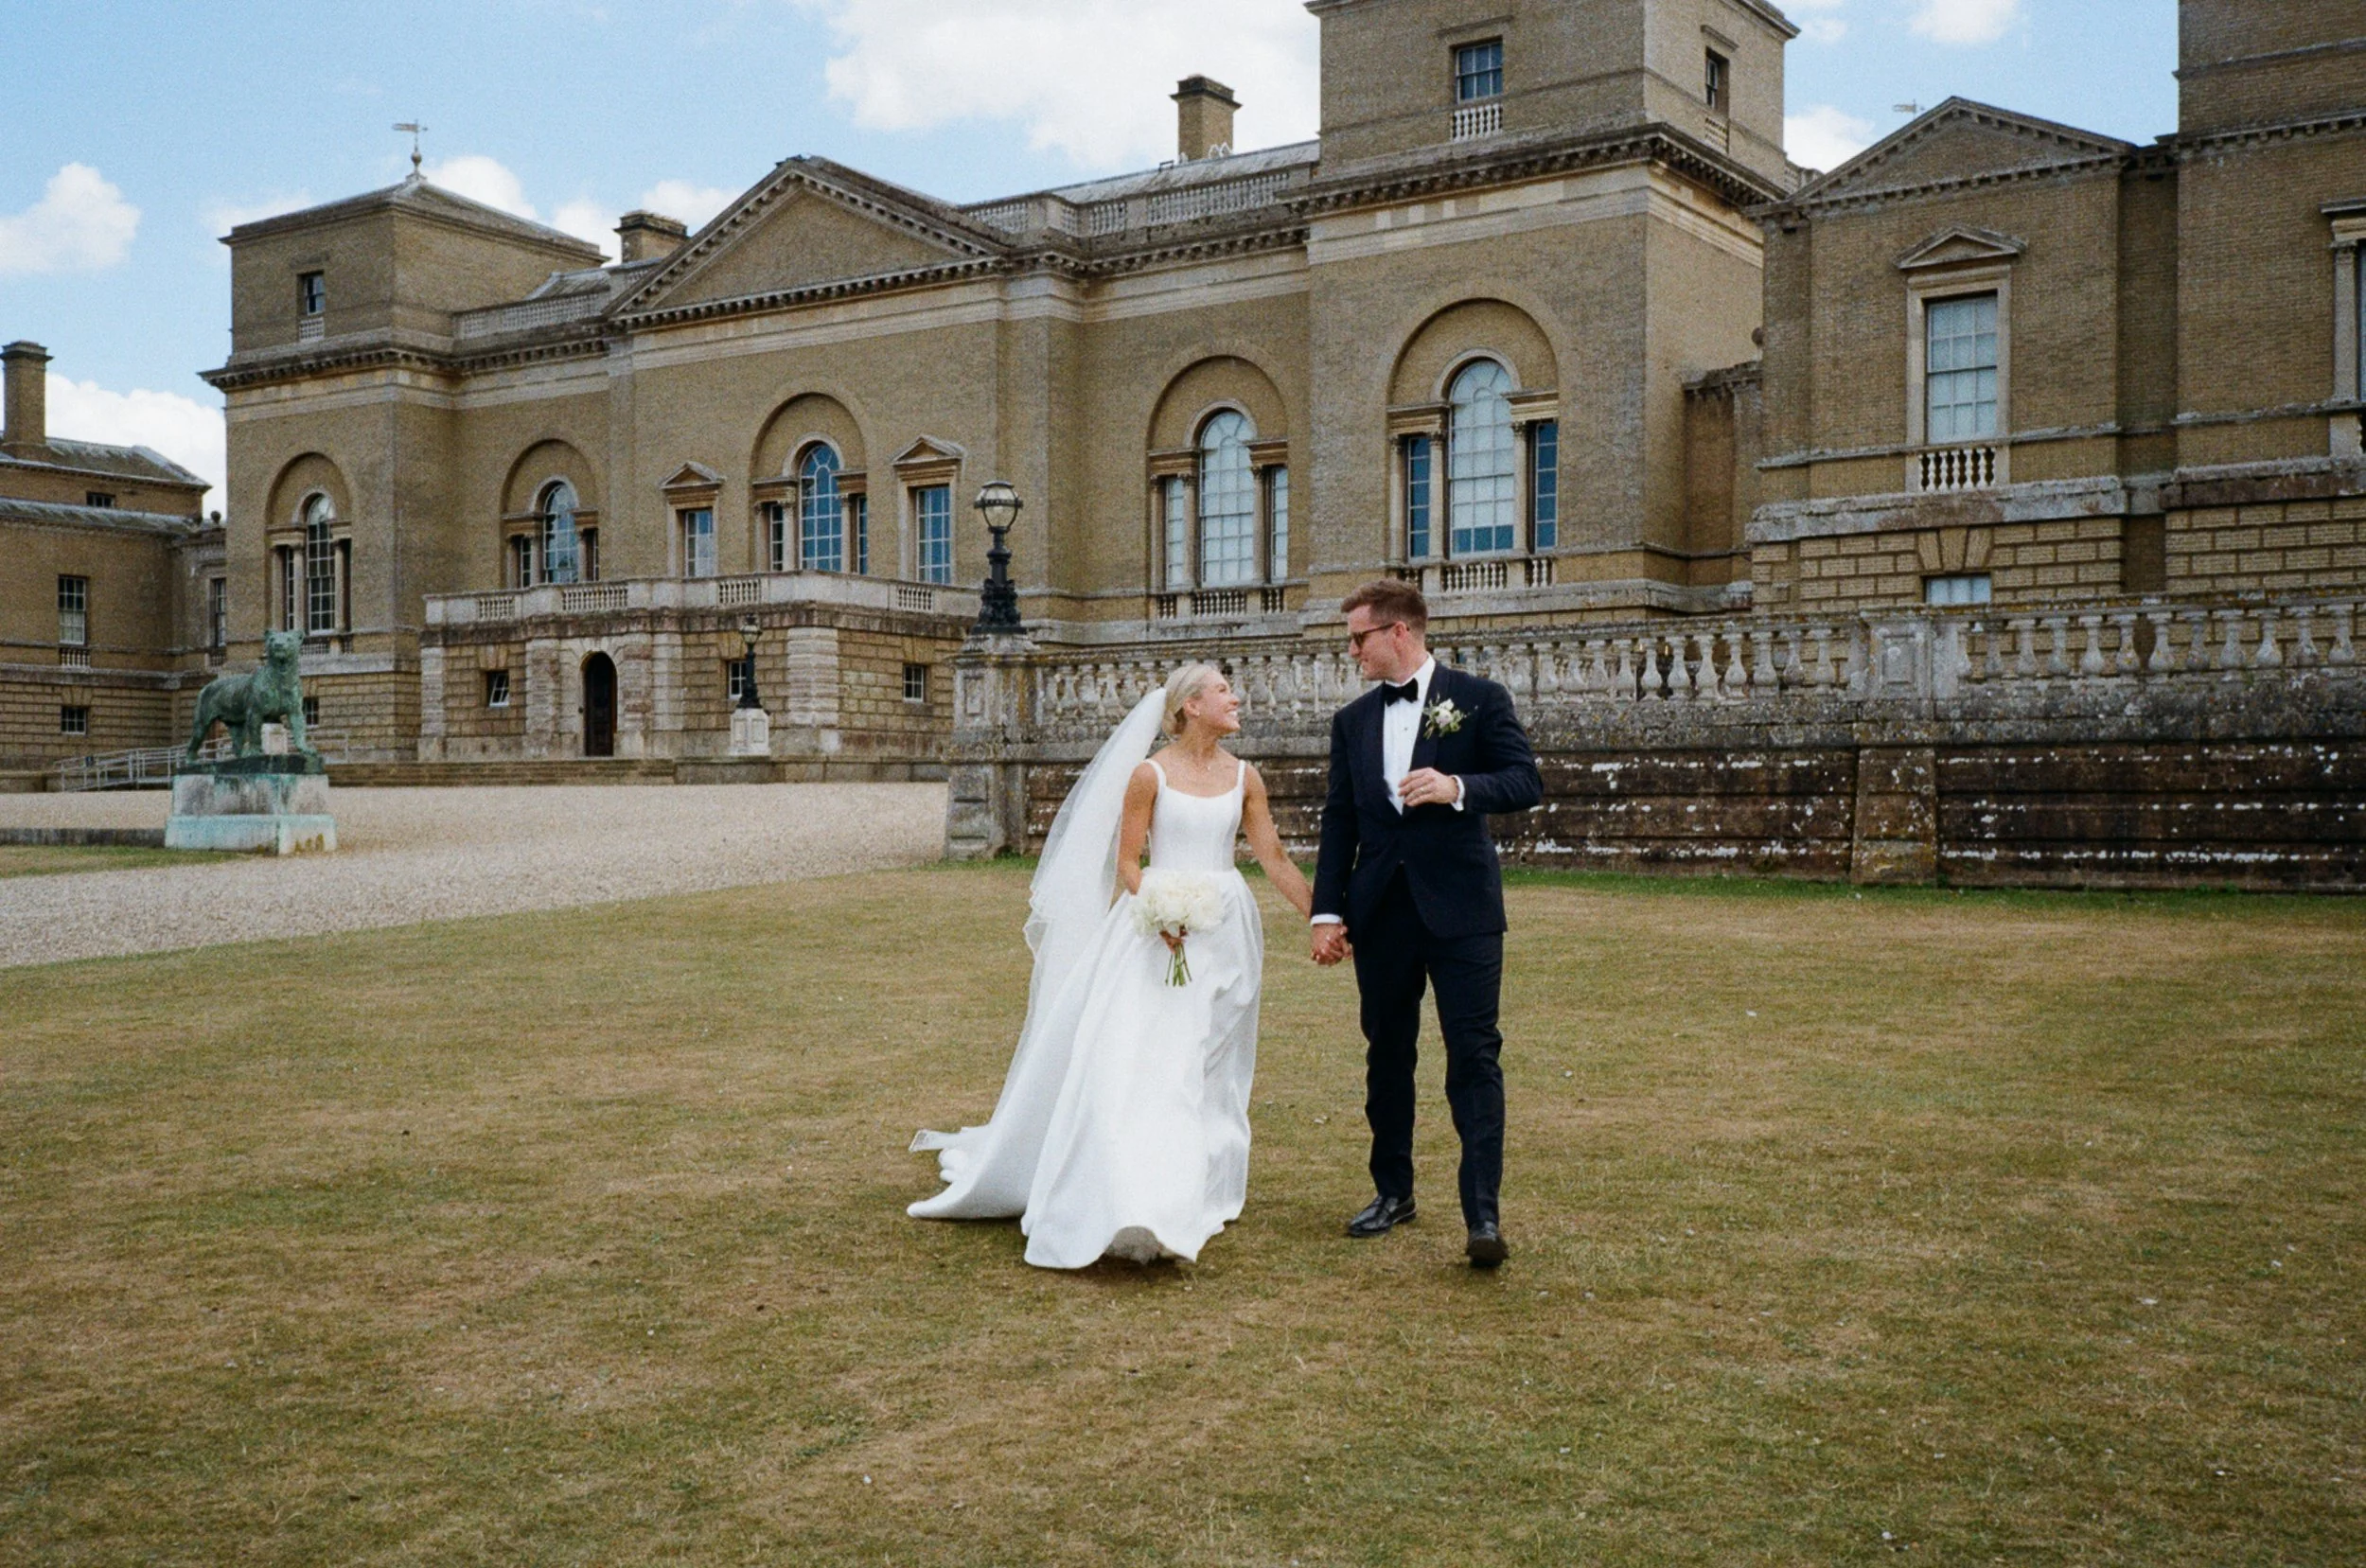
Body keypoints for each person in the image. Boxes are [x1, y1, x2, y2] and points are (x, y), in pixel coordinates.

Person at [909, 663, 1315, 1269]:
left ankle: (1202, 1176)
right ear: (1191, 705)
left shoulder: (1244, 777)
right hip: (1158, 933)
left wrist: (1323, 916)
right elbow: (1128, 862)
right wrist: (1158, 908)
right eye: (1224, 691)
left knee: (1211, 1057)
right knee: (1156, 1059)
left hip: (1227, 927)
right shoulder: (1148, 775)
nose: (1237, 699)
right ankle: (1142, 1198)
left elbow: (1274, 855)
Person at [1310, 580, 1542, 1267]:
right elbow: (1340, 821)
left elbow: (1525, 780)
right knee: (1388, 1055)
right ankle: (1393, 1191)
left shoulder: (1479, 699)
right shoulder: (1352, 721)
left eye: (1359, 638)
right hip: (1381, 911)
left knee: (1473, 1055)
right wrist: (1328, 910)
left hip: (1463, 910)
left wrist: (1457, 787)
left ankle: (1484, 1216)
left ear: (1399, 633)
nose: (1352, 650)